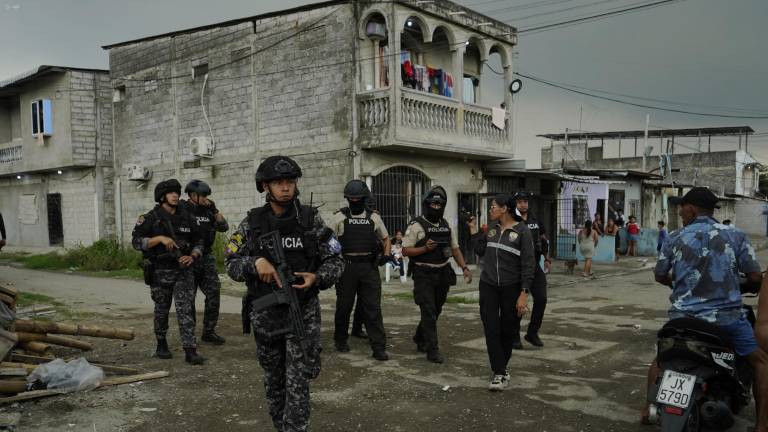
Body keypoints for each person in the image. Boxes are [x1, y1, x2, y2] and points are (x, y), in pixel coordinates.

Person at [225, 156, 344, 432]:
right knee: (274, 381)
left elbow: (337, 259)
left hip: (302, 312)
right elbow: (230, 261)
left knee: (298, 381)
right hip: (267, 315)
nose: (286, 187)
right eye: (279, 182)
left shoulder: (311, 220)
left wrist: (317, 277)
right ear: (265, 186)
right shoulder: (251, 223)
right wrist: (255, 264)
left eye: (290, 181)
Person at [643, 187, 768, 431]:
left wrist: (679, 283)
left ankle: (646, 411)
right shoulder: (735, 236)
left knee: (661, 358)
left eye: (682, 208)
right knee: (761, 362)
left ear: (691, 208)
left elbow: (659, 275)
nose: (680, 212)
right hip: (726, 320)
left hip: (681, 320)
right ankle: (762, 424)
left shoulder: (674, 237)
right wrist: (743, 283)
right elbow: (754, 276)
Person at [132, 179, 206, 365]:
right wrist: (159, 239)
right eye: (171, 192)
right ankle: (161, 343)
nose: (175, 195)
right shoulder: (150, 218)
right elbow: (136, 242)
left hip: (183, 270)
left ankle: (190, 350)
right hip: (160, 271)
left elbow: (199, 241)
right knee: (161, 310)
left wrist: (193, 256)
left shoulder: (187, 217)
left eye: (177, 192)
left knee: (186, 310)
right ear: (162, 196)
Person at [470, 194, 535, 391]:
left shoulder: (522, 232)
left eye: (493, 206)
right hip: (488, 285)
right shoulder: (491, 229)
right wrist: (474, 232)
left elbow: (528, 264)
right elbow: (480, 250)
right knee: (491, 328)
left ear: (505, 208)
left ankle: (502, 368)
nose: (490, 210)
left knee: (508, 330)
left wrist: (524, 292)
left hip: (512, 287)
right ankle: (499, 372)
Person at [402, 186, 472, 364]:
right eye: (433, 203)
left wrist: (464, 267)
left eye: (439, 204)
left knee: (436, 309)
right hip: (423, 273)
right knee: (429, 311)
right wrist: (425, 248)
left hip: (442, 272)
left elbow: (455, 249)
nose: (436, 206)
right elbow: (405, 250)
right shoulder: (416, 225)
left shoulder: (446, 225)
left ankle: (419, 336)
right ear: (426, 204)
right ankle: (432, 350)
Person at [329, 179, 390, 361]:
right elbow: (327, 241)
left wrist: (385, 255)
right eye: (352, 198)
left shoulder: (373, 217)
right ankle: (340, 339)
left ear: (364, 199)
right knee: (344, 306)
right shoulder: (338, 218)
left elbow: (386, 239)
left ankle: (378, 347)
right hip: (347, 267)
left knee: (372, 308)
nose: (355, 201)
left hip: (369, 267)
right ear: (347, 199)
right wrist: (334, 257)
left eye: (358, 198)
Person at [180, 180, 229, 345]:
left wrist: (214, 209)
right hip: (189, 258)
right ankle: (189, 334)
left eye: (208, 195)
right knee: (189, 298)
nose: (206, 198)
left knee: (214, 293)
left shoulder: (209, 211)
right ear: (193, 195)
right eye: (204, 195)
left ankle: (209, 331)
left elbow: (224, 227)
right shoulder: (182, 209)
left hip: (206, 257)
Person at [513, 191, 550, 348]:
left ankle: (532, 333)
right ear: (515, 203)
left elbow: (543, 239)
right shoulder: (512, 221)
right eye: (520, 201)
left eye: (525, 201)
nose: (523, 204)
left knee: (541, 299)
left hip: (535, 266)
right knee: (518, 303)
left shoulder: (536, 221)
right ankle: (514, 336)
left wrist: (547, 258)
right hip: (517, 268)